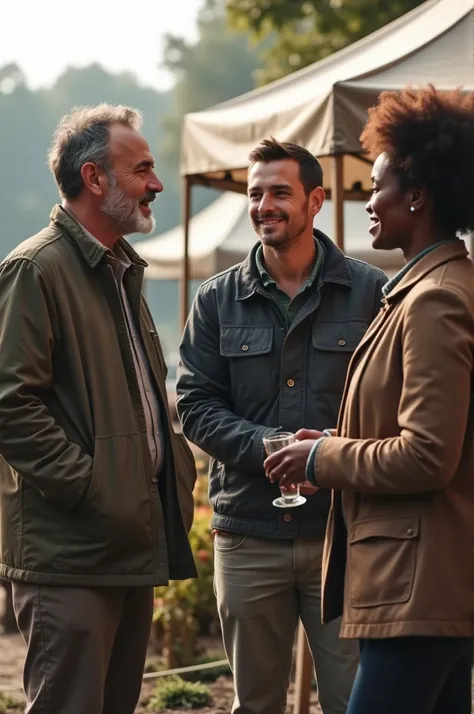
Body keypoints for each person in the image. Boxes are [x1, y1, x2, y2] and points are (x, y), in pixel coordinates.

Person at [264, 86, 474, 714]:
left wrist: (320, 457)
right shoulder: (424, 290)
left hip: (418, 585)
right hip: (428, 582)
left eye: (376, 185)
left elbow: (427, 455)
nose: (367, 201)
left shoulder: (436, 298)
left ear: (417, 196)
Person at [176, 138, 387, 714]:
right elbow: (194, 403)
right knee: (256, 704)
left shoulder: (374, 293)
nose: (264, 205)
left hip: (344, 535)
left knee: (354, 701)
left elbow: (391, 405)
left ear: (316, 200)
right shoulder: (216, 300)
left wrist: (326, 459)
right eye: (255, 193)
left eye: (280, 192)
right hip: (247, 533)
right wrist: (270, 449)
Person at [0, 104, 197, 714]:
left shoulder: (119, 270)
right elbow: (9, 404)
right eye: (142, 169)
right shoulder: (37, 268)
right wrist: (91, 487)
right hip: (72, 555)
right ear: (94, 179)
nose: (156, 184)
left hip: (124, 547)